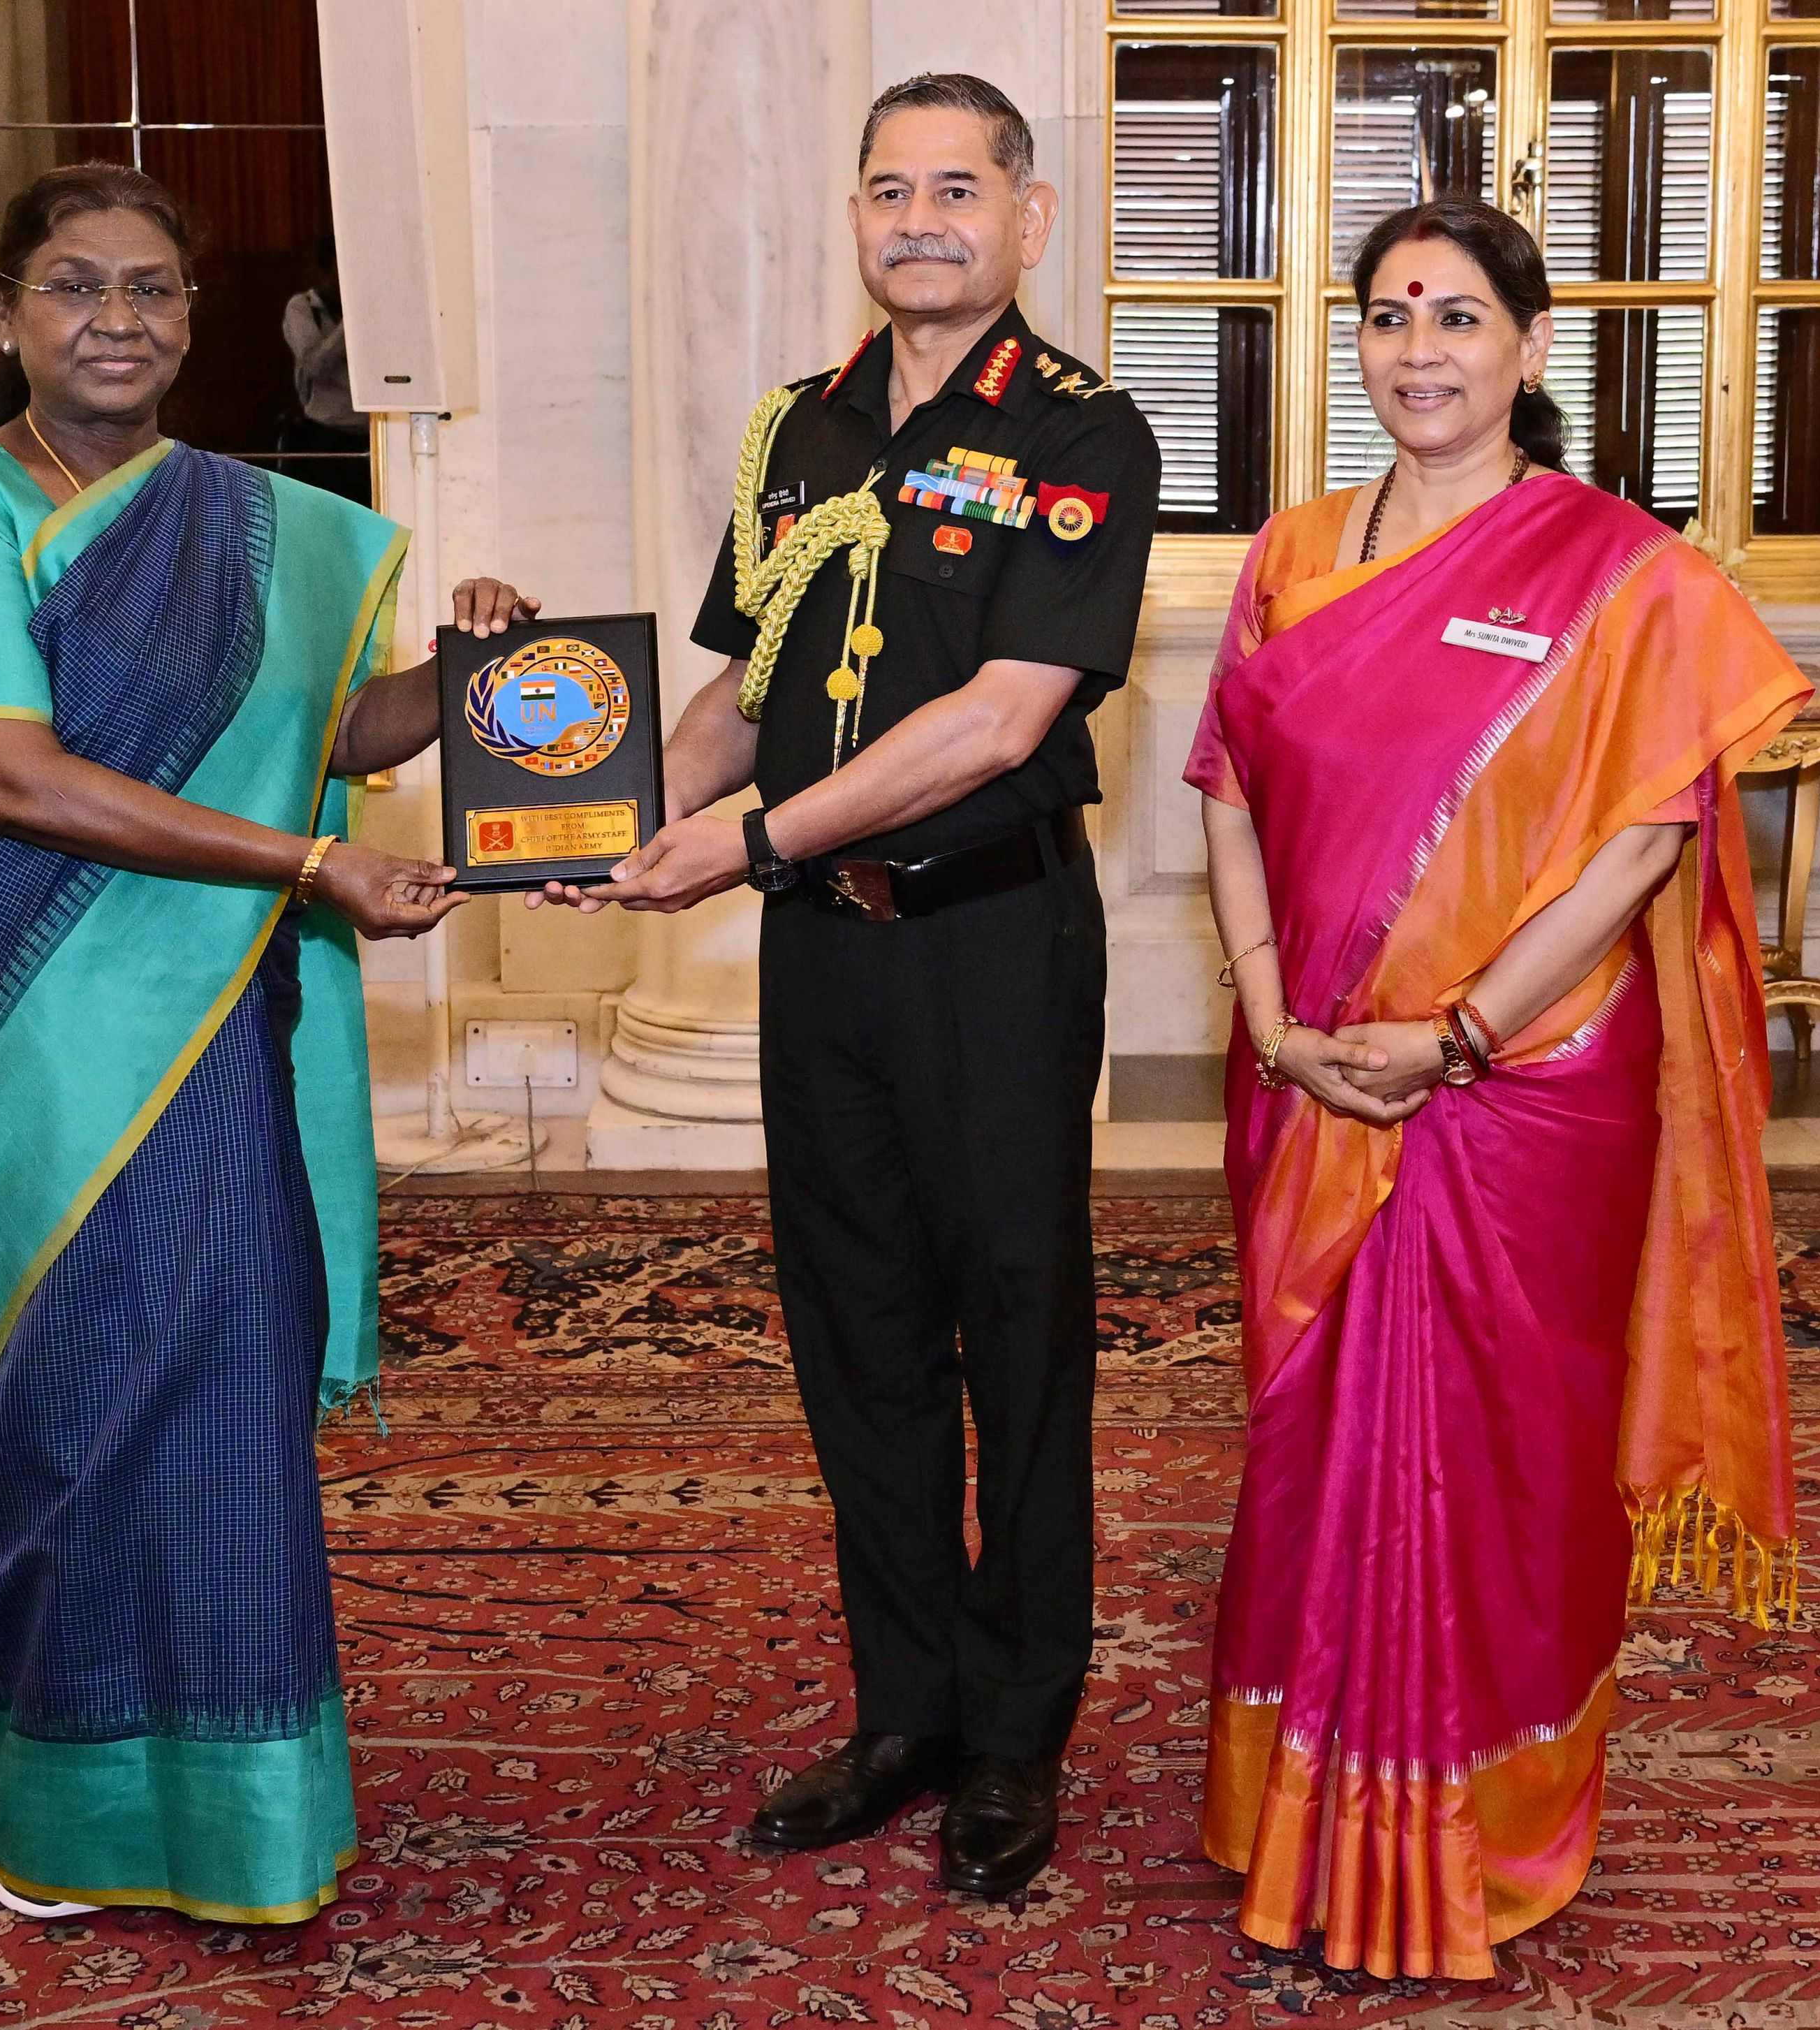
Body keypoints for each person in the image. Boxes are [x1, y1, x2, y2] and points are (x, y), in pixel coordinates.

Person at [0, 161, 532, 1925]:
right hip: (23, 1023)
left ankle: (237, 1811)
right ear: (6, 312)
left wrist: (475, 667)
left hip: (214, 1010)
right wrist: (310, 867)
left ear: (190, 316)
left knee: (220, 1384)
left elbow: (345, 734)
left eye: (150, 288)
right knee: (59, 1400)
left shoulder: (261, 525)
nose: (115, 319)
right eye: (74, 284)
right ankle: (62, 1808)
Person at [541, 73, 1159, 1901]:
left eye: (957, 190)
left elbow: (997, 721)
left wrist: (740, 848)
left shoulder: (1081, 433)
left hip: (991, 944)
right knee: (856, 1334)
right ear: (858, 218)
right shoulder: (799, 429)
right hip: (824, 953)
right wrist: (610, 819)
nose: (919, 222)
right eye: (889, 190)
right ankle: (907, 1712)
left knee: (1015, 1336)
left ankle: (1017, 1731)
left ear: (1026, 220)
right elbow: (742, 689)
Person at [1187, 198, 1807, 1979]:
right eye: (1388, 316)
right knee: (1308, 1444)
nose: (1419, 351)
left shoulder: (1621, 574)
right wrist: (1269, 1019)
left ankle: (1478, 1830)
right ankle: (1300, 1817)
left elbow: (1637, 844)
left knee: (1506, 1462)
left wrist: (1454, 1034)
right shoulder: (1292, 556)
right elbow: (1226, 788)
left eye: (1457, 316)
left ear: (1528, 348)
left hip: (1520, 1093)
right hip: (1309, 1074)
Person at [279, 246, 369, 502]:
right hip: (326, 434)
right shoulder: (304, 308)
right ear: (326, 271)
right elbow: (314, 366)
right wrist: (351, 324)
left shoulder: (371, 311)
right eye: (341, 269)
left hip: (369, 435)